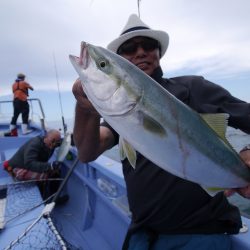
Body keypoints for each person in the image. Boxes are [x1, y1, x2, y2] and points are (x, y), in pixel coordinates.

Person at [72, 14, 250, 250]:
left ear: (158, 52)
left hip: (201, 233)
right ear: (123, 58)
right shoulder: (120, 113)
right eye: (129, 48)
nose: (140, 52)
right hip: (143, 235)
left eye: (148, 45)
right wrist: (86, 108)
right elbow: (86, 152)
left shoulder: (192, 88)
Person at [3, 129, 68, 202]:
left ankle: (54, 196)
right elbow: (29, 163)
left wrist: (71, 141)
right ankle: (45, 198)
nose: (53, 144)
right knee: (46, 175)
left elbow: (64, 142)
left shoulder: (53, 143)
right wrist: (50, 166)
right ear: (45, 137)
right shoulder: (35, 144)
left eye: (56, 142)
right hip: (16, 168)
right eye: (52, 141)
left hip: (29, 165)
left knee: (56, 171)